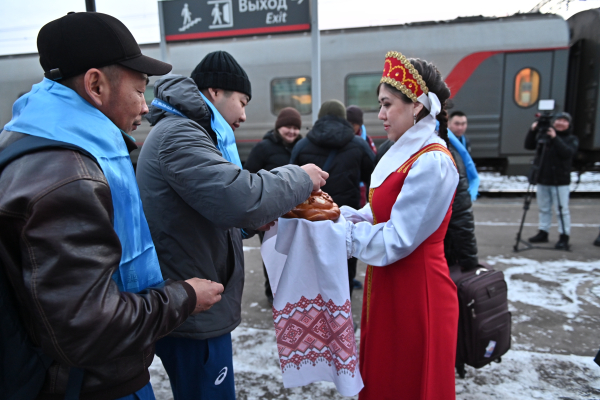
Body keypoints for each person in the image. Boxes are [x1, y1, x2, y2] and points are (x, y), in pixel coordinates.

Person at [0, 12, 223, 400]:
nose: (146, 107)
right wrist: (184, 297)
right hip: (90, 385)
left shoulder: (30, 140)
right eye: (139, 91)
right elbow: (88, 328)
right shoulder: (70, 178)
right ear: (95, 84)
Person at [135, 51, 328, 400]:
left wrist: (251, 224)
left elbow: (209, 213)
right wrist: (300, 176)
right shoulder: (181, 136)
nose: (243, 115)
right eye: (241, 102)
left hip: (195, 298)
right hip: (193, 307)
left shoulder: (187, 134)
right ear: (213, 93)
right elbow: (239, 196)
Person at [340, 51, 459, 399]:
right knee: (386, 377)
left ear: (417, 106)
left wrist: (340, 232)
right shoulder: (405, 151)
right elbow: (378, 212)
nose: (380, 115)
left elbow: (397, 239)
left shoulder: (432, 161)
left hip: (417, 291)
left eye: (387, 104)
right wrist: (339, 216)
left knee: (409, 381)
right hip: (390, 282)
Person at [290, 100, 375, 297]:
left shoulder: (302, 145)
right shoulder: (359, 145)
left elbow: (292, 184)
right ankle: (341, 316)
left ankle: (316, 317)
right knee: (344, 268)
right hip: (345, 219)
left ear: (319, 118)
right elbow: (374, 180)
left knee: (313, 268)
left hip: (311, 219)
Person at [374, 135, 479, 271]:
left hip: (391, 255)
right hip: (423, 256)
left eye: (388, 111)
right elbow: (461, 213)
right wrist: (469, 261)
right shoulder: (441, 152)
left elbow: (460, 212)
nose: (382, 115)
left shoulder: (436, 156)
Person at [245, 106, 303, 304]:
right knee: (273, 253)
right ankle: (272, 292)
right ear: (279, 127)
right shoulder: (263, 148)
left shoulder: (301, 146)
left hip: (296, 213)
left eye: (296, 128)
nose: (292, 131)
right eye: (288, 126)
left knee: (295, 254)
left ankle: (292, 291)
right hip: (270, 213)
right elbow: (249, 176)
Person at [525, 112, 578, 250]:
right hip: (543, 178)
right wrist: (533, 130)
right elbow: (529, 145)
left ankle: (564, 236)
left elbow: (567, 153)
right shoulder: (544, 137)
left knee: (562, 210)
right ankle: (543, 232)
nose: (560, 123)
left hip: (560, 181)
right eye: (558, 120)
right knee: (544, 208)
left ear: (569, 124)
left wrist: (555, 138)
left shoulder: (571, 139)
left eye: (564, 121)